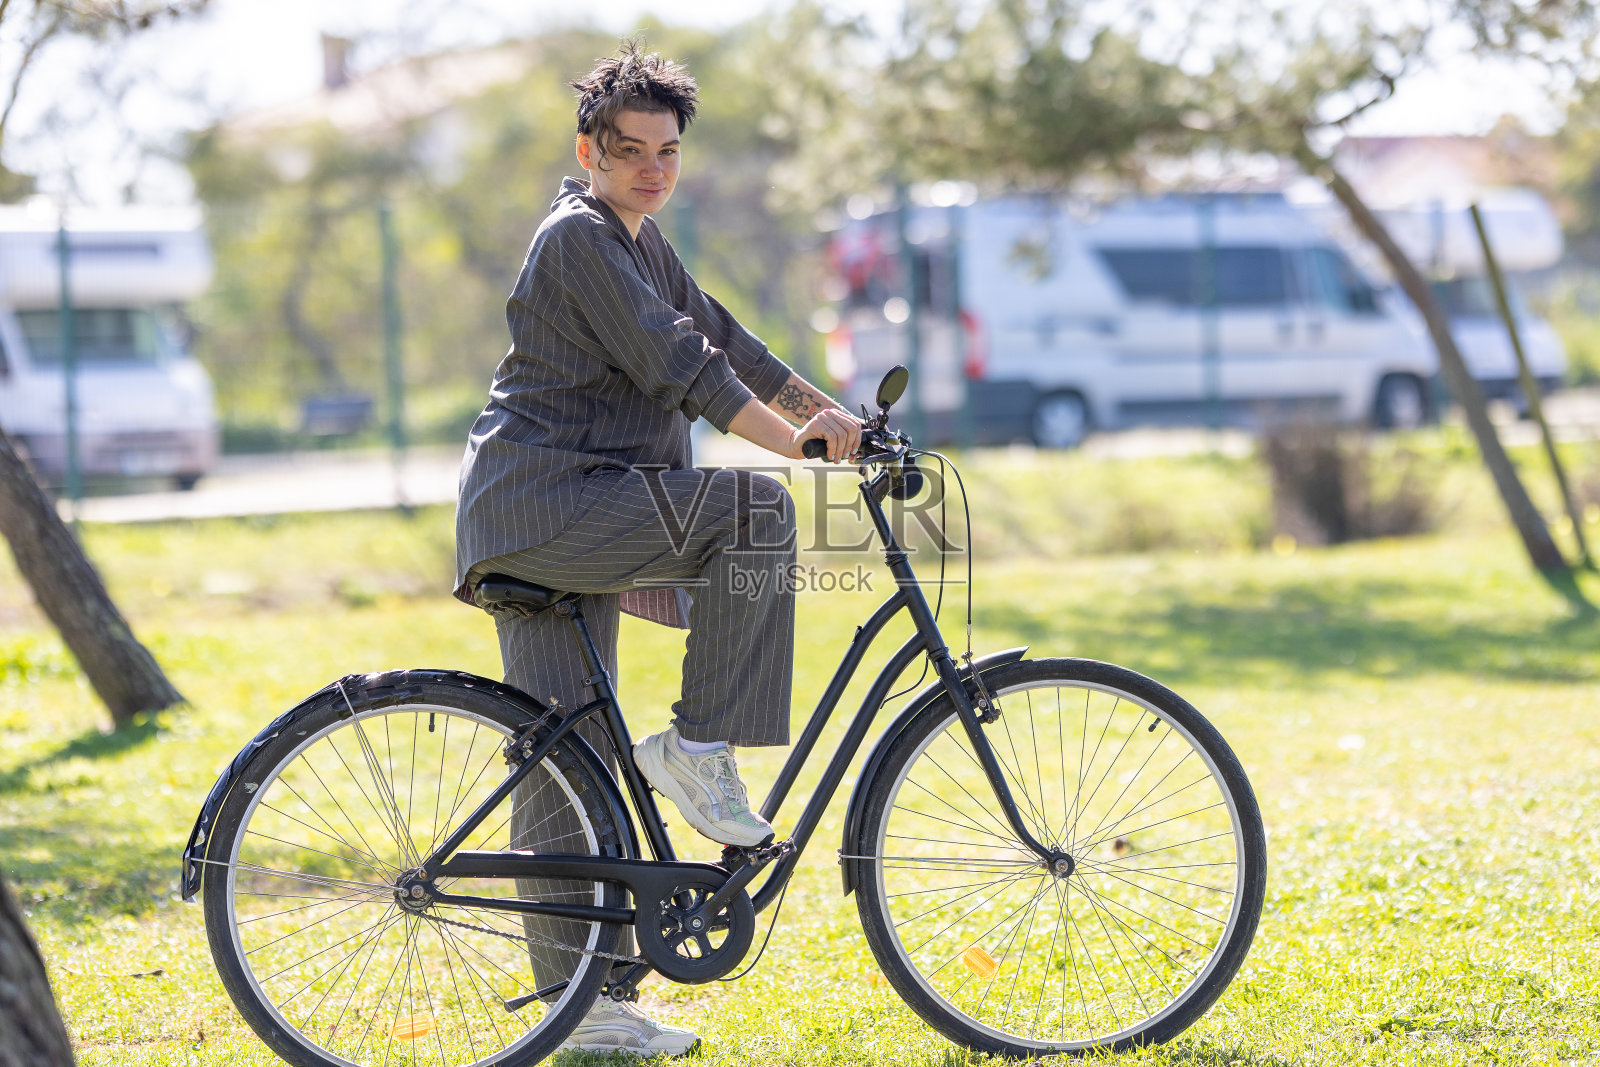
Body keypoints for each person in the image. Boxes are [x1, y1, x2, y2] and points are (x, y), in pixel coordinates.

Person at [453, 43, 861, 1056]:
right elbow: (687, 369)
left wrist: (839, 418)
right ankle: (698, 745)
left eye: (667, 152)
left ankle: (583, 1008)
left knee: (568, 761)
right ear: (588, 147)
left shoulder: (640, 242)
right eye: (629, 150)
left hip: (551, 511)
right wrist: (796, 445)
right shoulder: (579, 239)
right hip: (548, 503)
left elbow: (730, 340)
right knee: (755, 513)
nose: (651, 169)